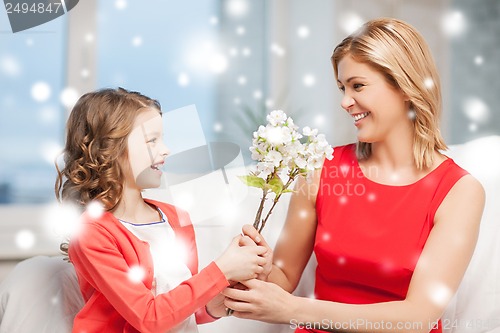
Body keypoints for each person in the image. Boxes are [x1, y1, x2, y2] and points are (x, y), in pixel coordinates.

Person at [223, 18, 485, 333]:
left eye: (357, 86)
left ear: (404, 85)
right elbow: (284, 277)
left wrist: (294, 310)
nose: (346, 102)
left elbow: (418, 317)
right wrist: (259, 270)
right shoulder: (321, 170)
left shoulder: (458, 191)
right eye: (342, 88)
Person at [55, 87, 269, 333]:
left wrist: (217, 303)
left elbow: (181, 306)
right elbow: (149, 318)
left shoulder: (177, 218)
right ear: (108, 148)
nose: (166, 149)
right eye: (151, 141)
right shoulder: (92, 234)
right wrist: (222, 270)